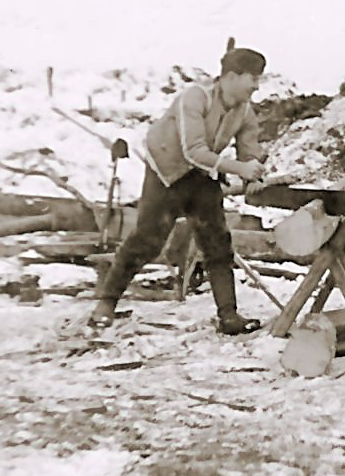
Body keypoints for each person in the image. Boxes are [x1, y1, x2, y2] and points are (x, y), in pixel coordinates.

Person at [88, 46, 268, 335]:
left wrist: (254, 175)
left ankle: (229, 316)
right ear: (232, 77)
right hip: (167, 172)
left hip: (202, 173)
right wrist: (239, 168)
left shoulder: (244, 111)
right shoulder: (194, 97)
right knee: (147, 240)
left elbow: (249, 152)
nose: (256, 86)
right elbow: (193, 149)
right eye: (253, 79)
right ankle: (106, 303)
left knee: (217, 244)